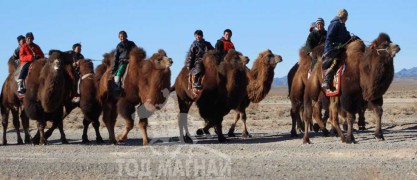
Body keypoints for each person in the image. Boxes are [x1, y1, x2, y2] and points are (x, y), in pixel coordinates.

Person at [321, 9, 358, 90]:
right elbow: (329, 38)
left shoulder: (341, 25)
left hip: (339, 49)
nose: (347, 19)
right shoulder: (334, 24)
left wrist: (353, 38)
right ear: (344, 16)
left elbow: (345, 37)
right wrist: (337, 46)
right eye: (346, 17)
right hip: (331, 50)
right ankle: (326, 80)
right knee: (336, 61)